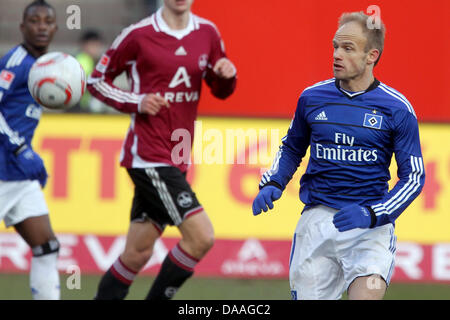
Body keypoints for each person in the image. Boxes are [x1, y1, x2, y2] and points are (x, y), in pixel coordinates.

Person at [252, 12, 425, 300]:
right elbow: (292, 146)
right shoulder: (311, 98)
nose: (336, 55)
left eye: (347, 48)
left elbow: (413, 177)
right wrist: (274, 182)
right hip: (316, 225)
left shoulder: (397, 109)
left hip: (369, 229)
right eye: (335, 46)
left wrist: (374, 213)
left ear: (372, 55)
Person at [87, 0, 237, 300]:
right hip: (148, 155)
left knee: (136, 254)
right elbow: (96, 82)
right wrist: (137, 101)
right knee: (201, 238)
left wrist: (226, 76)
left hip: (178, 154)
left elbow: (220, 90)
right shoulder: (138, 34)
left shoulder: (207, 33)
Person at [0, 0, 60, 299]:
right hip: (2, 169)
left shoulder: (45, 67)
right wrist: (20, 147)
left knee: (47, 246)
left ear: (55, 28)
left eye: (47, 21)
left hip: (20, 176)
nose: (41, 27)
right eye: (34, 21)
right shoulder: (14, 63)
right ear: (22, 27)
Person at [74, 30, 105, 113]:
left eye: (97, 46)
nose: (95, 49)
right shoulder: (82, 60)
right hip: (79, 107)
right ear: (84, 46)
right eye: (92, 45)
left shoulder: (96, 62)